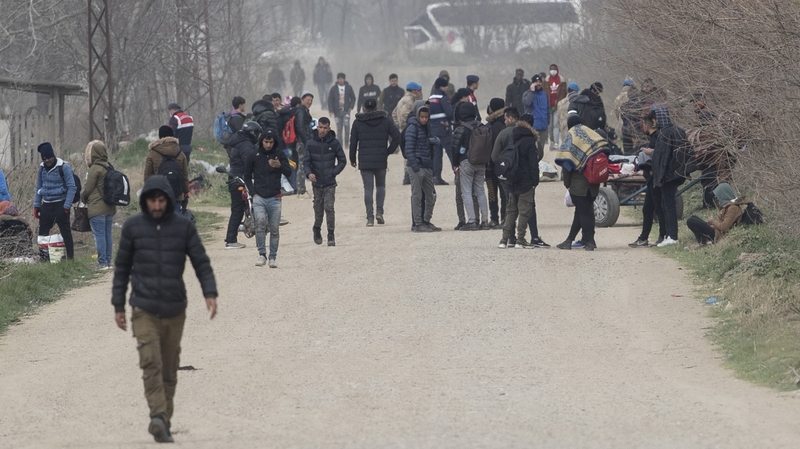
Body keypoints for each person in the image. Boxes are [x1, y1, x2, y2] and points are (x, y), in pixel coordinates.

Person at [112, 175, 217, 444]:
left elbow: (200, 261)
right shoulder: (133, 227)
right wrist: (118, 305)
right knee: (150, 362)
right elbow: (122, 268)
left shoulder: (183, 227)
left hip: (174, 308)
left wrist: (210, 293)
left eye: (161, 201)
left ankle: (164, 421)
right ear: (145, 201)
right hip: (143, 307)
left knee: (169, 370)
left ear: (169, 201)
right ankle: (157, 415)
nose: (157, 206)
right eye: (152, 201)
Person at [555, 115, 607, 251]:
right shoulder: (590, 135)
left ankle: (590, 241)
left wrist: (567, 184)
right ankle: (569, 240)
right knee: (582, 212)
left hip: (579, 185)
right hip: (593, 183)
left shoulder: (571, 137)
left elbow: (567, 163)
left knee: (584, 214)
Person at [243, 130, 292, 267]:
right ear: (261, 141)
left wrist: (280, 166)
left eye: (271, 142)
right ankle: (262, 254)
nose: (269, 145)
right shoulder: (254, 155)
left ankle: (272, 257)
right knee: (260, 223)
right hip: (259, 197)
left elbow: (289, 172)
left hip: (275, 197)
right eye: (266, 142)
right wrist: (253, 193)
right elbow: (247, 176)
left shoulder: (279, 155)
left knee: (274, 228)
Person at [349, 98, 401, 226]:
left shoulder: (358, 122)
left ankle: (369, 218)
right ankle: (379, 212)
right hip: (381, 159)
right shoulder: (385, 121)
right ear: (377, 106)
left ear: (364, 108)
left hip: (365, 160)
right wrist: (389, 151)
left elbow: (353, 142)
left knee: (368, 188)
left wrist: (352, 159)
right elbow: (397, 137)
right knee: (380, 186)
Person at [641, 105, 688, 247]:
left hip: (668, 175)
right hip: (678, 172)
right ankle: (668, 235)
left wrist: (658, 175)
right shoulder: (679, 130)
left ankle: (672, 236)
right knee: (666, 204)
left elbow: (662, 157)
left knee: (668, 205)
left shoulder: (663, 134)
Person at [498, 113, 539, 248]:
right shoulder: (530, 140)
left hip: (512, 178)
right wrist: (535, 181)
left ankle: (504, 240)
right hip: (525, 180)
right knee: (524, 211)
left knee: (511, 210)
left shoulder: (511, 136)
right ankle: (521, 239)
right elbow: (533, 163)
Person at [304, 117, 346, 246]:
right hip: (317, 183)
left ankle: (331, 234)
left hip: (329, 182)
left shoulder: (334, 143)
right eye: (320, 127)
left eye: (325, 128)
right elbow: (306, 162)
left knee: (329, 208)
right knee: (318, 209)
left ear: (329, 128)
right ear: (317, 127)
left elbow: (342, 160)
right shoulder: (310, 143)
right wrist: (309, 173)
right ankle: (317, 228)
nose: (322, 130)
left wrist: (333, 172)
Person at [33, 142, 76, 261]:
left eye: (49, 158)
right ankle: (44, 259)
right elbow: (38, 186)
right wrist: (36, 205)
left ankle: (70, 259)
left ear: (53, 156)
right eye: (44, 158)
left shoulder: (64, 167)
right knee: (43, 233)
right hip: (46, 204)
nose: (47, 161)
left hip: (60, 204)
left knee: (65, 232)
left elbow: (72, 187)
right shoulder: (41, 169)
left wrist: (67, 206)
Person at [451, 102, 490, 231]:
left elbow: (455, 148)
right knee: (480, 191)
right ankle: (485, 221)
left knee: (466, 192)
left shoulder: (461, 129)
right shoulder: (482, 126)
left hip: (466, 162)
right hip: (481, 162)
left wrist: (455, 163)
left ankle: (472, 221)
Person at [224, 121, 261, 250]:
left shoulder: (239, 142)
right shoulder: (246, 145)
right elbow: (250, 163)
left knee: (238, 209)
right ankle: (231, 240)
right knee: (238, 210)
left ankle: (238, 232)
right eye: (257, 133)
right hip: (240, 180)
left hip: (236, 178)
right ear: (253, 133)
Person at [405, 104, 441, 232]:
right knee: (417, 196)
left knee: (431, 195)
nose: (424, 119)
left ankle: (426, 221)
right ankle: (418, 223)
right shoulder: (412, 128)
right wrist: (416, 167)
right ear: (417, 116)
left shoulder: (427, 128)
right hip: (417, 166)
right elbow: (408, 150)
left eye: (426, 117)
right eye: (422, 117)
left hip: (426, 166)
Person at [82, 140, 116, 269]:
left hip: (97, 207)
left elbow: (88, 189)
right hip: (110, 206)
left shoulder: (94, 168)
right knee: (108, 234)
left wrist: (83, 198)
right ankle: (108, 261)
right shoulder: (109, 167)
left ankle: (102, 263)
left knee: (99, 235)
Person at [144, 126, 190, 213]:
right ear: (172, 136)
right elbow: (185, 175)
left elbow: (147, 176)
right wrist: (186, 192)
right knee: (176, 219)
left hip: (159, 195)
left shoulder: (153, 153)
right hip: (177, 194)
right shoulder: (180, 153)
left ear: (160, 137)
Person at [485, 98, 507, 228]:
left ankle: (494, 218)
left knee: (492, 192)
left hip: (490, 166)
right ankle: (505, 217)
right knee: (505, 193)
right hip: (505, 166)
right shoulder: (506, 124)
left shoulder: (491, 127)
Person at [428, 77, 454, 185]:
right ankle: (458, 175)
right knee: (451, 152)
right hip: (444, 128)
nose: (447, 88)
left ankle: (436, 177)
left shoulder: (430, 98)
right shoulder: (443, 98)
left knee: (437, 154)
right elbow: (450, 113)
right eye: (445, 86)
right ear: (441, 87)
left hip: (433, 129)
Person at [523, 74, 549, 158]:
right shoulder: (527, 93)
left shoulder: (544, 94)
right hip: (533, 126)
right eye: (536, 82)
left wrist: (547, 122)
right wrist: (532, 91)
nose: (538, 83)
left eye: (539, 82)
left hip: (543, 126)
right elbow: (527, 103)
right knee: (533, 150)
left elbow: (547, 109)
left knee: (541, 150)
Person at [327, 73, 356, 148]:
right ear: (337, 79)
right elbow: (330, 100)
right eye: (339, 78)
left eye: (342, 78)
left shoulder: (349, 87)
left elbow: (353, 98)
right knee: (339, 128)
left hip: (346, 111)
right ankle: (340, 144)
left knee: (347, 127)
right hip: (337, 112)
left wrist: (351, 107)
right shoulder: (333, 89)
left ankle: (346, 144)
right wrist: (331, 110)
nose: (340, 80)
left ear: (344, 79)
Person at [294, 92, 315, 196]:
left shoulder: (304, 110)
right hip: (301, 141)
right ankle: (300, 188)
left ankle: (301, 187)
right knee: (302, 164)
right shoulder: (301, 111)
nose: (309, 102)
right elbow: (300, 127)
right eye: (307, 100)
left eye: (311, 100)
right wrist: (306, 141)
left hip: (304, 140)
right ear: (302, 100)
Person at [545, 64, 567, 150]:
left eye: (554, 69)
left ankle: (557, 143)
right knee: (550, 126)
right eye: (551, 69)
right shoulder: (546, 81)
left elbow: (564, 94)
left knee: (556, 125)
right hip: (549, 106)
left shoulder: (562, 81)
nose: (553, 70)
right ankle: (552, 141)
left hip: (558, 106)